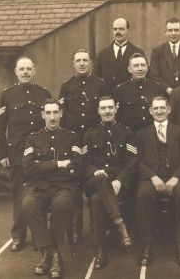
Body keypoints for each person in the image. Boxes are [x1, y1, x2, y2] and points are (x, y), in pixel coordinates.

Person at [0, 56, 51, 252]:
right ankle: (18, 236)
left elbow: (50, 124)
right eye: (22, 69)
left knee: (39, 195)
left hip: (40, 155)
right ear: (16, 72)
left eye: (29, 69)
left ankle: (38, 236)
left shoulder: (44, 93)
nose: (25, 72)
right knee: (18, 196)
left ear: (34, 70)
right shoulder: (7, 95)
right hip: (17, 155)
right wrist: (2, 154)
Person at [21, 99, 83, 278]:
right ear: (42, 115)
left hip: (64, 187)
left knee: (61, 205)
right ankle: (54, 253)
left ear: (61, 114)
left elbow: (77, 166)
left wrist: (43, 166)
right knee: (27, 205)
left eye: (56, 112)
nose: (52, 117)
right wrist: (60, 164)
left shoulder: (73, 137)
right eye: (48, 113)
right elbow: (28, 167)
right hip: (39, 188)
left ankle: (47, 256)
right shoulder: (32, 138)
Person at [135, 96, 180, 267]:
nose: (159, 111)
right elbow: (136, 161)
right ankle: (147, 244)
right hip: (152, 177)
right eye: (156, 108)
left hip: (176, 176)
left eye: (162, 108)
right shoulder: (141, 134)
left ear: (169, 110)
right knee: (143, 195)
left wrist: (176, 177)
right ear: (150, 111)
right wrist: (153, 176)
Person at [58, 48, 109, 243]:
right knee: (74, 186)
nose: (81, 63)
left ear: (90, 63)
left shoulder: (100, 85)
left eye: (85, 60)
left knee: (96, 185)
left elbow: (106, 112)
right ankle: (75, 230)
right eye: (78, 60)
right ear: (73, 64)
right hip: (74, 142)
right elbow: (62, 116)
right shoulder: (66, 86)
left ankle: (100, 228)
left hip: (95, 142)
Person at [82, 96, 138, 270]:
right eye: (103, 108)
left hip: (118, 183)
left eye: (110, 108)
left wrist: (120, 180)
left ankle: (99, 250)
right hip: (95, 180)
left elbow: (132, 161)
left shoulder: (127, 133)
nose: (107, 111)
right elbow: (84, 162)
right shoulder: (90, 134)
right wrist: (94, 171)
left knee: (97, 200)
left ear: (116, 108)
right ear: (98, 111)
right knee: (100, 179)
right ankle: (120, 223)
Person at [113, 53, 166, 132]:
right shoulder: (120, 90)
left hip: (152, 134)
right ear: (129, 69)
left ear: (147, 68)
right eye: (136, 66)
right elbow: (117, 117)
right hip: (131, 135)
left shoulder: (157, 87)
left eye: (143, 65)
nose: (140, 69)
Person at [150, 17, 180, 95]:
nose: (173, 33)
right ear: (165, 32)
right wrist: (167, 89)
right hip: (164, 94)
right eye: (170, 30)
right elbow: (154, 75)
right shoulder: (157, 51)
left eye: (176, 30)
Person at [95, 17, 145, 92]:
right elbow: (96, 78)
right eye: (115, 29)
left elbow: (145, 76)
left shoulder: (137, 52)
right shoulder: (102, 54)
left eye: (121, 29)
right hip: (109, 98)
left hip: (130, 96)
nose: (117, 32)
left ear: (128, 30)